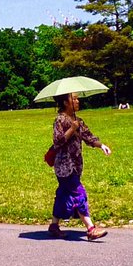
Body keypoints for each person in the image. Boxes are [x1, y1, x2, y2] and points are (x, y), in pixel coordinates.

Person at [47, 92, 111, 241]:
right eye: (73, 98)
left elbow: (88, 137)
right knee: (78, 193)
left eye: (77, 98)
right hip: (64, 166)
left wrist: (101, 145)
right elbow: (58, 141)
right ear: (65, 102)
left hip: (75, 165)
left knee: (63, 194)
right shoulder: (60, 120)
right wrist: (71, 129)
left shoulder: (78, 120)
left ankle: (54, 226)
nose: (77, 101)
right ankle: (91, 229)